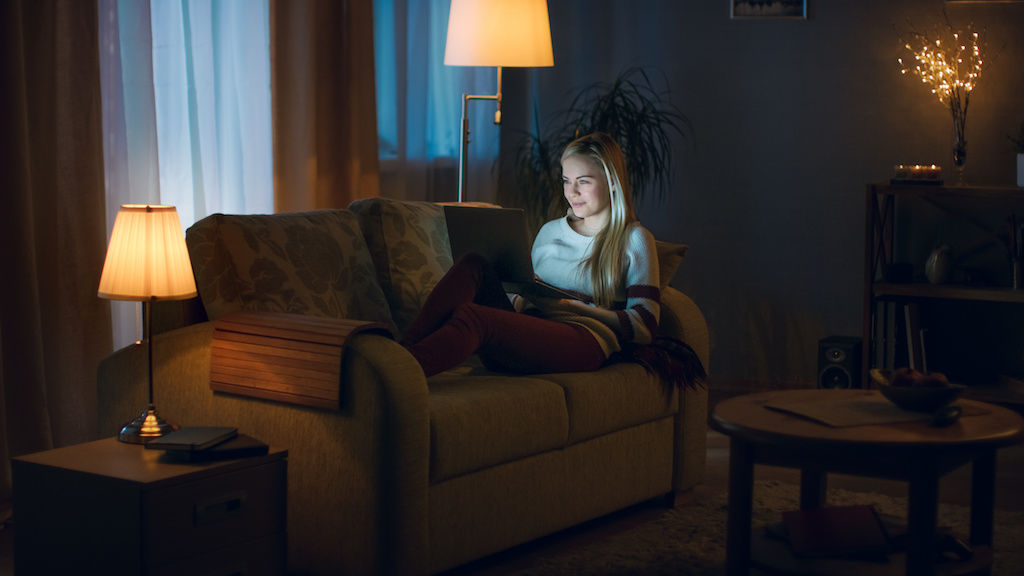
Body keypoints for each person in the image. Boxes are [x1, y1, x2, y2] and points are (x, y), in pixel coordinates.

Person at [400, 132, 661, 378]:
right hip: (527, 331)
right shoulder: (550, 231)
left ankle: (399, 374)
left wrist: (576, 307)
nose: (572, 192)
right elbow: (522, 293)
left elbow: (646, 326)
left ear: (612, 182)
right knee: (473, 264)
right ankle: (396, 355)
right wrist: (524, 298)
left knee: (473, 317)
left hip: (584, 340)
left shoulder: (634, 239)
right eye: (566, 181)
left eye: (583, 181)